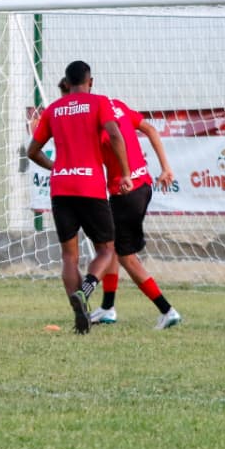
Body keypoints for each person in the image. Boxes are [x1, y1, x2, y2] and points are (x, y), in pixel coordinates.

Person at [25, 60, 132, 334]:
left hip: (61, 188)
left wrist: (56, 168)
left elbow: (32, 151)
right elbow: (115, 134)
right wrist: (125, 173)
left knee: (69, 257)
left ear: (66, 82)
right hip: (90, 187)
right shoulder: (98, 102)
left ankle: (79, 317)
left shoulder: (53, 109)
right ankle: (85, 290)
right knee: (107, 249)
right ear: (90, 81)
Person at [89, 91, 182, 330]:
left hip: (126, 193)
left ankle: (167, 310)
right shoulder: (117, 106)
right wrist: (166, 168)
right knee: (112, 248)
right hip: (143, 187)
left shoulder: (98, 122)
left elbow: (103, 148)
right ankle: (107, 308)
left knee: (125, 257)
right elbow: (150, 129)